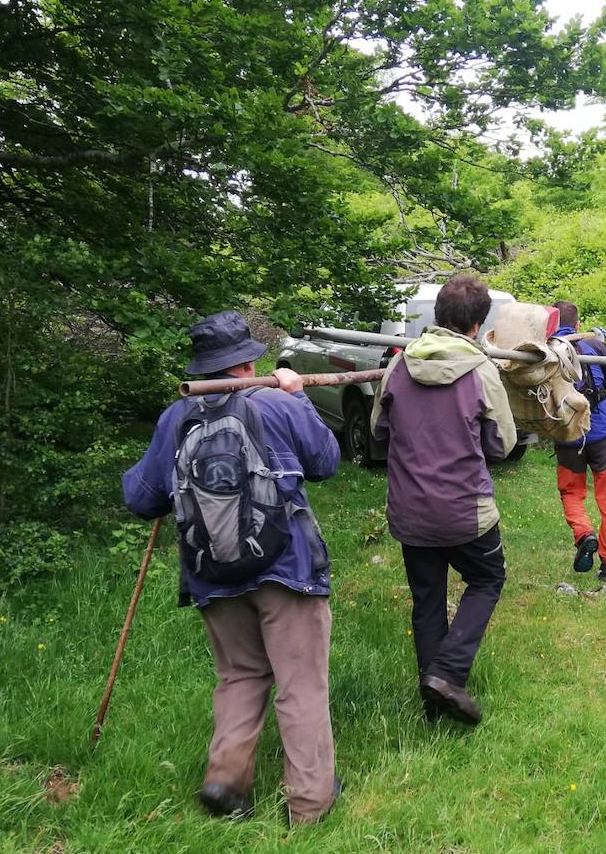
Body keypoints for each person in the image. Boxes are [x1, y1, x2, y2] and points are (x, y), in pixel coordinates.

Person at [122, 311, 341, 825]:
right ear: (246, 363)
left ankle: (225, 783)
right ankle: (310, 803)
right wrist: (299, 396)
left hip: (212, 572)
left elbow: (140, 498)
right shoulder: (276, 402)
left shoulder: (177, 416)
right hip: (286, 567)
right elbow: (326, 462)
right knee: (301, 683)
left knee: (240, 675)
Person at [370, 276, 517, 724]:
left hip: (410, 509)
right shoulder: (482, 371)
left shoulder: (399, 366)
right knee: (488, 579)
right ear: (477, 324)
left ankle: (432, 703)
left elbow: (379, 431)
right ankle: (448, 674)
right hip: (464, 511)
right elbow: (502, 444)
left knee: (427, 599)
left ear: (437, 316)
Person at [551, 301, 606, 581]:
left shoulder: (545, 348)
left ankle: (584, 534)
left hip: (567, 433)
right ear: (578, 324)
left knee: (571, 493)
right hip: (602, 431)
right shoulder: (593, 344)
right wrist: (603, 346)